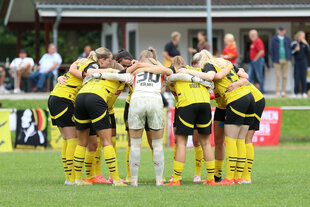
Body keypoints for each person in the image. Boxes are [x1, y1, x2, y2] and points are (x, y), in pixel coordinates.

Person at [181, 50, 255, 185]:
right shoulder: (225, 63)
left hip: (236, 99)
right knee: (230, 140)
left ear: (201, 61)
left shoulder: (209, 65)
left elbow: (210, 76)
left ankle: (231, 178)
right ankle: (227, 177)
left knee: (232, 140)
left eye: (197, 65)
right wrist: (232, 72)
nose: (197, 68)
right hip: (236, 101)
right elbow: (245, 75)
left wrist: (188, 72)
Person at [165, 56, 215, 186]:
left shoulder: (174, 71)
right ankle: (210, 178)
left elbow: (164, 72)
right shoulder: (196, 70)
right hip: (205, 104)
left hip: (187, 104)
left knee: (181, 142)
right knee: (206, 143)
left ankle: (176, 179)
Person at [125, 48, 169, 186]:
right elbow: (169, 73)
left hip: (137, 101)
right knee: (157, 145)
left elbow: (123, 74)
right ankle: (158, 180)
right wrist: (156, 65)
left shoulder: (136, 70)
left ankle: (134, 180)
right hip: (155, 101)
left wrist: (137, 65)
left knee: (135, 144)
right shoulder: (160, 70)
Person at [270, 25, 292, 98]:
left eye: (282, 30)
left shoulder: (287, 38)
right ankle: (277, 93)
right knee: (278, 76)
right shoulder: (274, 39)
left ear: (285, 31)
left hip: (286, 59)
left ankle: (283, 93)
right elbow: (271, 49)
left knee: (285, 76)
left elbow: (290, 48)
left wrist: (289, 57)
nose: (281, 31)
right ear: (278, 31)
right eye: (280, 30)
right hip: (277, 60)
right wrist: (273, 59)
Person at [291, 31, 309, 98]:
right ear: (298, 36)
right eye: (302, 36)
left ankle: (304, 92)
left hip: (304, 62)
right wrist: (295, 50)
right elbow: (291, 53)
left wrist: (306, 43)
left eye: (304, 36)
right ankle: (295, 92)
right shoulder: (294, 43)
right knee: (296, 77)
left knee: (303, 77)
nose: (303, 37)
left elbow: (308, 51)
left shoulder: (305, 43)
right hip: (297, 62)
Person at [248, 29, 265, 94]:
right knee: (249, 76)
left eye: (253, 35)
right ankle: (248, 92)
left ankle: (262, 92)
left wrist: (255, 59)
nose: (251, 36)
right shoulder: (253, 42)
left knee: (259, 76)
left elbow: (261, 51)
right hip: (253, 61)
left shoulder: (258, 41)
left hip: (258, 61)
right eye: (250, 35)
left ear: (256, 35)